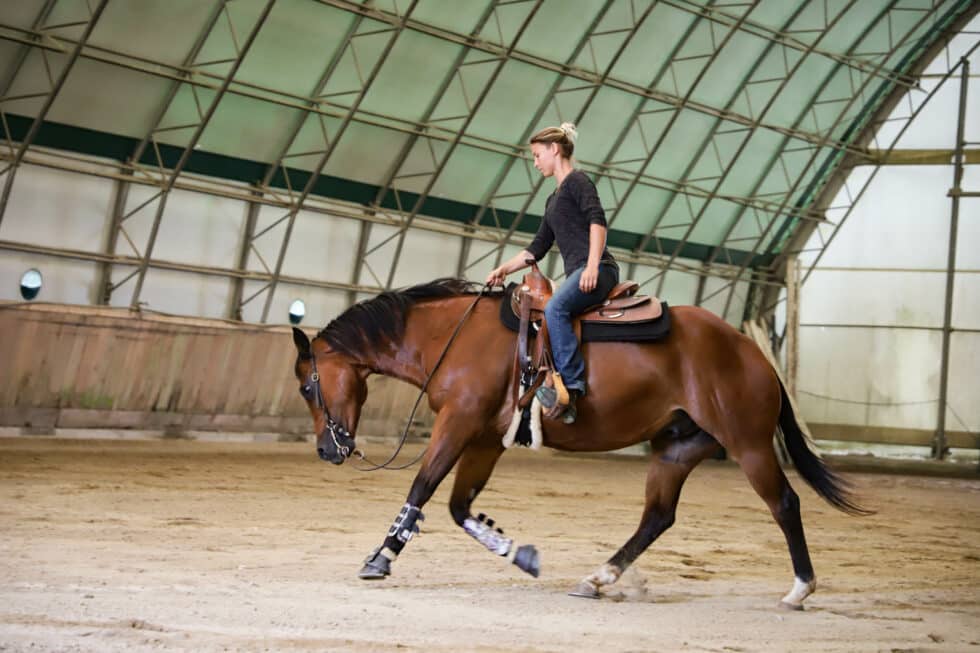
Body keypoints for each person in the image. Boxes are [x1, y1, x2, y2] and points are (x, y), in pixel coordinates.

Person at [486, 122, 619, 424]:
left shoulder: (578, 181)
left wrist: (594, 266)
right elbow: (537, 248)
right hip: (582, 271)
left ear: (554, 150)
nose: (535, 163)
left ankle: (571, 388)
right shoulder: (552, 200)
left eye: (536, 155)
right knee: (554, 307)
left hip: (598, 270)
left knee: (556, 308)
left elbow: (598, 222)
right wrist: (504, 269)